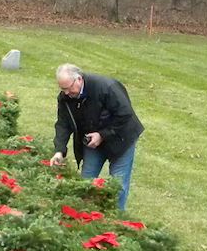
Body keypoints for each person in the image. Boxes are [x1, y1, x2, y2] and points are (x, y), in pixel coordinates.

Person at [49, 63, 144, 211]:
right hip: (93, 143)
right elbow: (63, 124)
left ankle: (116, 221)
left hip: (121, 140)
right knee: (86, 182)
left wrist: (102, 135)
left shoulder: (107, 87)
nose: (66, 93)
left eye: (68, 87)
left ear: (79, 79)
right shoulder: (65, 98)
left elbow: (125, 114)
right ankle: (86, 216)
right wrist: (59, 150)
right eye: (62, 89)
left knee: (118, 186)